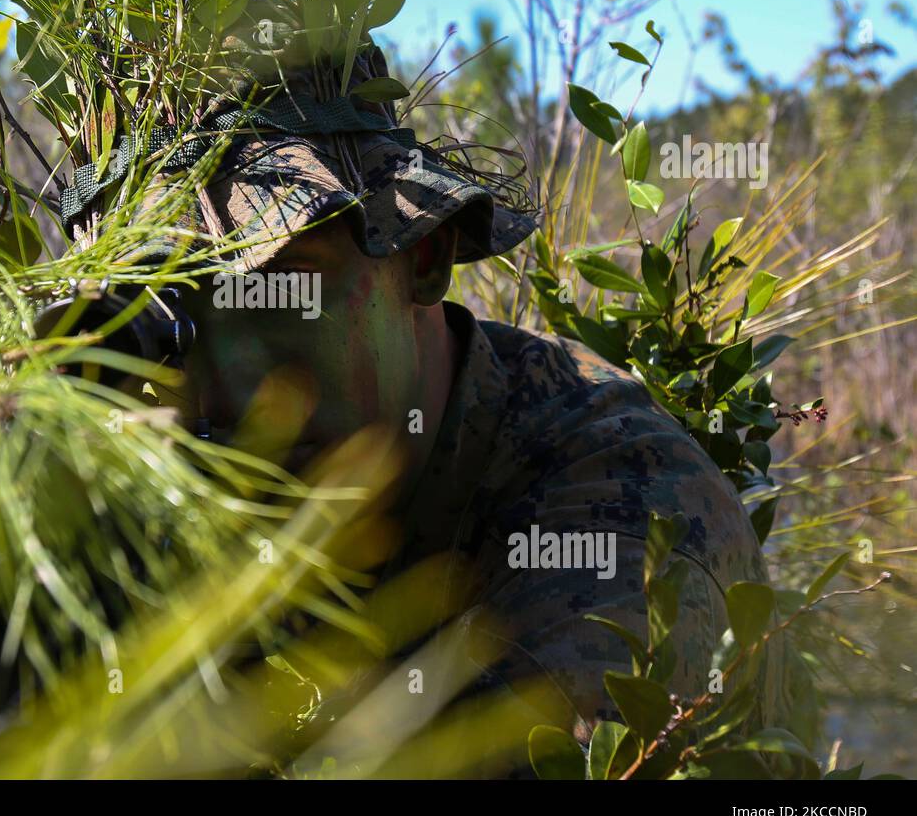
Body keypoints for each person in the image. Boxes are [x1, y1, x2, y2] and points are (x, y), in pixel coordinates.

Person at [58, 42, 804, 760]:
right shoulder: (156, 485)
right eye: (165, 310)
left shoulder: (621, 516)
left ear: (422, 256)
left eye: (280, 289)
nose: (227, 385)